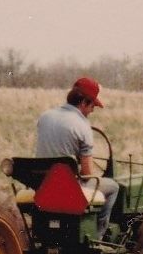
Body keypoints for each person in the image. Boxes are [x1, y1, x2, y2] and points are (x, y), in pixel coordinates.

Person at [35, 76, 120, 236]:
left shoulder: (44, 117)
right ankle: (99, 236)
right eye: (92, 105)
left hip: (42, 186)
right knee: (114, 187)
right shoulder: (82, 126)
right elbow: (87, 174)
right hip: (69, 190)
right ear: (83, 103)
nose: (93, 110)